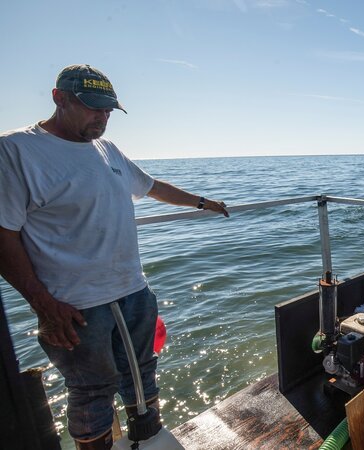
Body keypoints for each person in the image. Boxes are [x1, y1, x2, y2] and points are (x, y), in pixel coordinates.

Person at [0, 64, 229, 449]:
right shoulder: (16, 150)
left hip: (133, 292)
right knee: (92, 392)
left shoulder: (106, 149)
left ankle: (148, 441)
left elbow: (152, 186)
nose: (102, 118)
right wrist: (44, 305)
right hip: (75, 306)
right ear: (59, 98)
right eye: (92, 107)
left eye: (108, 110)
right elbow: (4, 235)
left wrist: (203, 202)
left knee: (143, 375)